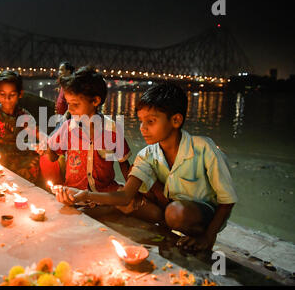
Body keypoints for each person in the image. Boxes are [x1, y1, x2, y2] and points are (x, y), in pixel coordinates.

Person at [57, 83, 238, 252]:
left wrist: (209, 236)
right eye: (141, 121)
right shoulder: (147, 154)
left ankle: (194, 233)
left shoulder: (204, 149)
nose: (142, 128)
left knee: (174, 213)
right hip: (168, 207)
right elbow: (124, 195)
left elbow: (226, 201)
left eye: (150, 122)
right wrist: (84, 195)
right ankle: (162, 223)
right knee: (132, 199)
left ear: (175, 120)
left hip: (201, 214)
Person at [37, 66, 132, 192]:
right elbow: (53, 156)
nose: (69, 109)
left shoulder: (112, 130)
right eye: (68, 103)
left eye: (75, 104)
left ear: (95, 101)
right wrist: (46, 149)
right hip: (75, 194)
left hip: (105, 193)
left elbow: (123, 163)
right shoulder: (68, 128)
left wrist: (130, 192)